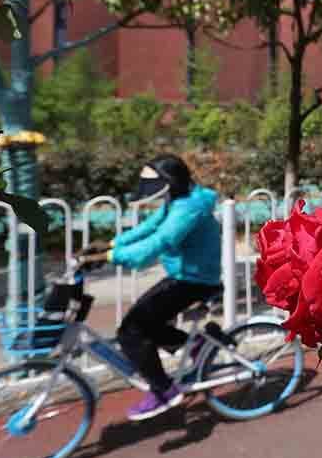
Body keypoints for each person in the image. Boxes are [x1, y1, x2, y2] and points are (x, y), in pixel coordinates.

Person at [82, 155, 222, 421]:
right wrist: (111, 244)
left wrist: (110, 257)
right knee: (145, 323)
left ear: (171, 181)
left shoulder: (189, 208)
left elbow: (160, 241)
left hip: (195, 280)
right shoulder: (180, 198)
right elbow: (149, 227)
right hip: (185, 276)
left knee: (130, 332)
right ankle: (197, 345)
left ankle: (164, 390)